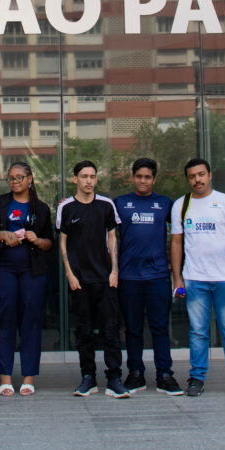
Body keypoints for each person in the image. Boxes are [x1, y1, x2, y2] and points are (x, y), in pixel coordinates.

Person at [171, 158, 225, 398]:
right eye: (192, 176)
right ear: (188, 179)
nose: (197, 179)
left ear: (210, 175)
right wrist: (177, 278)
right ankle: (196, 378)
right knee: (198, 331)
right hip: (195, 278)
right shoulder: (181, 205)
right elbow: (176, 242)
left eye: (201, 174)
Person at [0, 161, 54, 396]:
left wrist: (35, 239)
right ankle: (5, 378)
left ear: (30, 179)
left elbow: (49, 243)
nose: (15, 182)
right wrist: (2, 235)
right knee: (4, 319)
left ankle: (29, 378)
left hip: (32, 272)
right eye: (11, 178)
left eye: (20, 177)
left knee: (31, 321)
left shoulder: (41, 208)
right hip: (3, 270)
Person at [57, 160, 128, 399]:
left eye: (93, 176)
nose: (89, 181)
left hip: (105, 279)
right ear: (74, 179)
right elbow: (63, 243)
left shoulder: (106, 205)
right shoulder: (66, 207)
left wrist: (114, 271)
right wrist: (69, 273)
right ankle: (88, 377)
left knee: (110, 330)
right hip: (80, 280)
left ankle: (114, 378)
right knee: (84, 331)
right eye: (84, 176)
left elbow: (112, 239)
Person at [113, 158, 182, 396]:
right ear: (133, 177)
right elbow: (97, 219)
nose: (143, 180)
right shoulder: (120, 203)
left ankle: (165, 375)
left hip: (158, 277)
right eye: (139, 176)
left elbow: (183, 233)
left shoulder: (165, 204)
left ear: (154, 179)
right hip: (129, 277)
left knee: (160, 328)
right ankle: (135, 374)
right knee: (132, 329)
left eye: (148, 177)